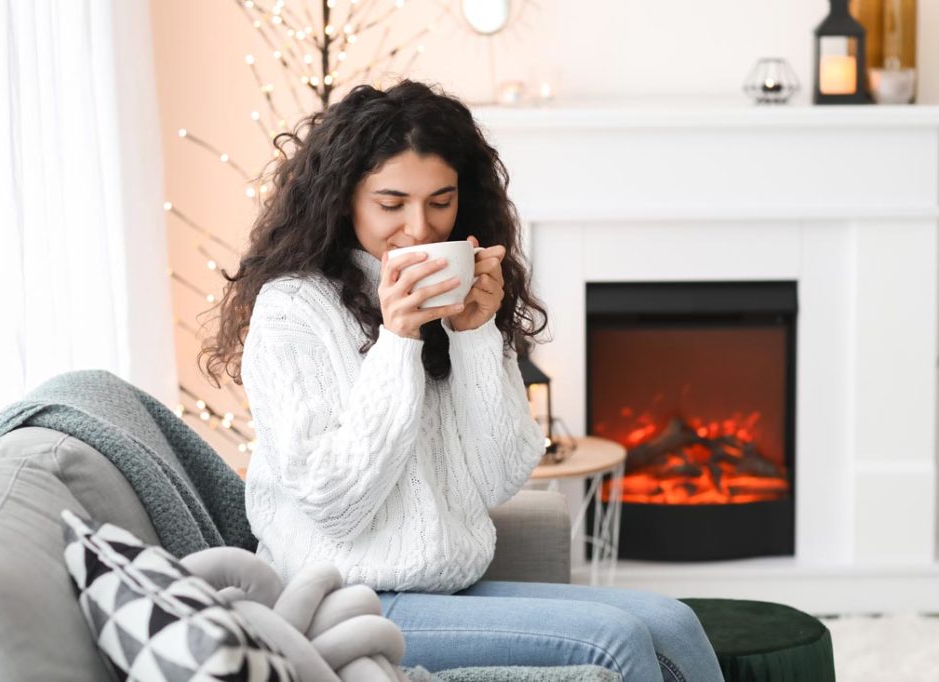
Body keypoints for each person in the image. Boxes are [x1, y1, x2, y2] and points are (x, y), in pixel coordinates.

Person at [202, 80, 723, 681]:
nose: (420, 229)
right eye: (391, 204)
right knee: (614, 642)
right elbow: (336, 505)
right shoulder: (292, 309)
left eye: (440, 202)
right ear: (344, 199)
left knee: (676, 624)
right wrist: (398, 342)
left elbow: (497, 478)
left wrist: (476, 337)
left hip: (449, 591)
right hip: (347, 607)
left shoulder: (459, 298)